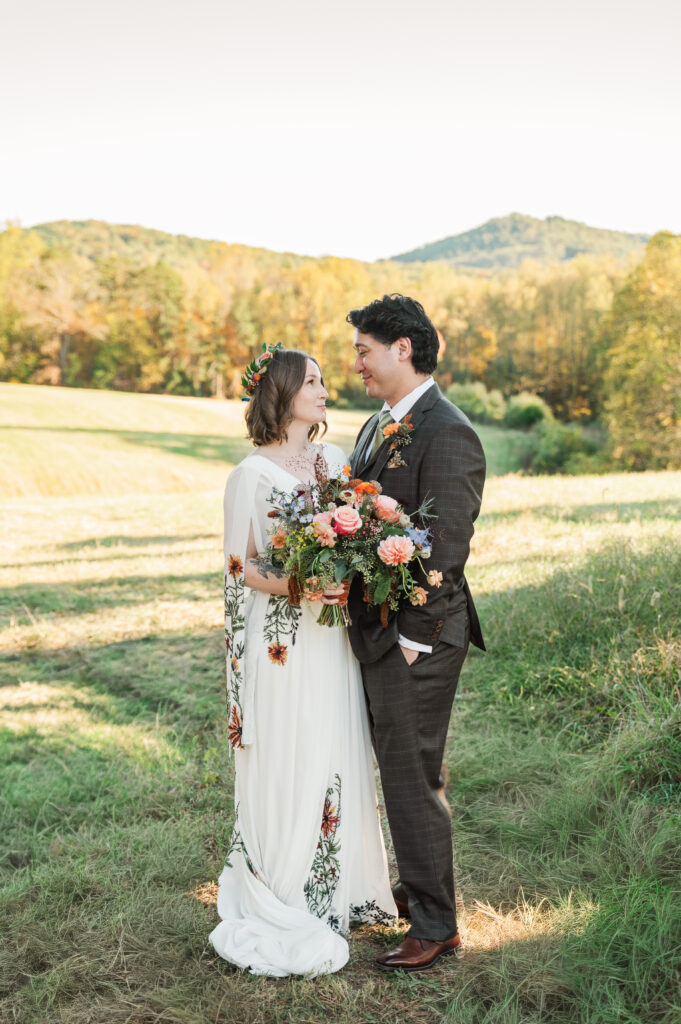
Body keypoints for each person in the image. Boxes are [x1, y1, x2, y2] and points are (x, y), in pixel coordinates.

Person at [209, 346, 396, 978]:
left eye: (322, 379)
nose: (324, 388)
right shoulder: (251, 475)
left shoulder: (335, 461)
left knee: (334, 743)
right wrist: (301, 585)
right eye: (312, 381)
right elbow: (240, 568)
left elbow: (352, 534)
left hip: (331, 637)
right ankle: (285, 888)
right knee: (292, 747)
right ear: (283, 394)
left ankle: (340, 890)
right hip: (283, 639)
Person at [346, 294, 486, 973]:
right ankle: (415, 889)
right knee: (398, 770)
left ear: (403, 347)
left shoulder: (447, 431)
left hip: (419, 635)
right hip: (379, 628)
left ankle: (437, 927)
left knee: (410, 776)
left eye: (363, 350)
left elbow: (445, 550)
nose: (357, 364)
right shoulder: (379, 424)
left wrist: (412, 640)